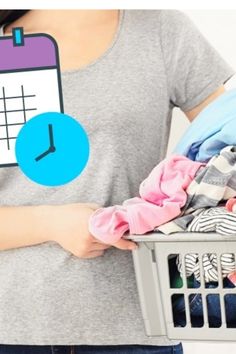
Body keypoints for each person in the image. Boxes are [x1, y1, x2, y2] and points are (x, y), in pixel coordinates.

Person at [0, 9, 234, 354]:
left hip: (139, 326)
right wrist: (50, 223)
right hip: (12, 330)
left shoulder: (160, 31)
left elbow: (223, 146)